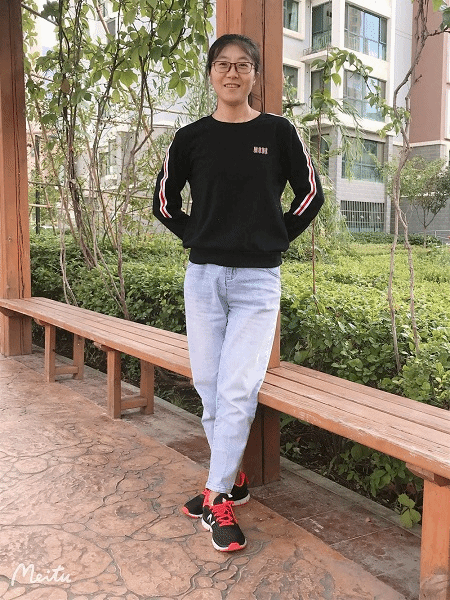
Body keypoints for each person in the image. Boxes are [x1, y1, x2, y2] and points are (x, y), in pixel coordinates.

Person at [153, 33, 324, 552]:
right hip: (203, 278)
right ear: (211, 73)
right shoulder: (190, 138)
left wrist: (274, 236)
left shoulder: (278, 132)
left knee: (236, 389)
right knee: (209, 384)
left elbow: (311, 194)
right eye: (223, 64)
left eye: (243, 65)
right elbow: (163, 202)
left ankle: (216, 497)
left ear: (255, 75)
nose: (233, 73)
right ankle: (234, 480)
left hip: (257, 283)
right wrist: (198, 234)